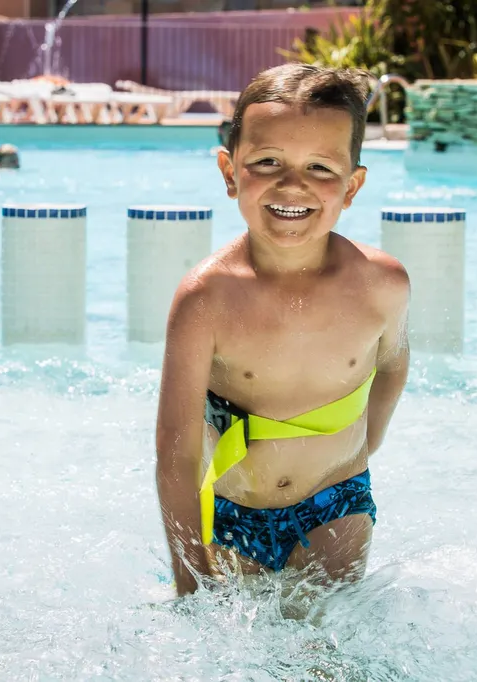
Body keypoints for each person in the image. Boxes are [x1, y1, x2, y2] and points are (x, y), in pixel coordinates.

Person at [155, 63, 411, 598]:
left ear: (353, 185)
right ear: (230, 172)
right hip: (234, 511)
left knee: (327, 655)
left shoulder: (380, 285)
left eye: (320, 167)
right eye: (267, 162)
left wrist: (364, 445)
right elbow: (175, 455)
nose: (292, 185)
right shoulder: (205, 299)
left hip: (334, 502)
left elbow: (391, 363)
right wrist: (187, 582)